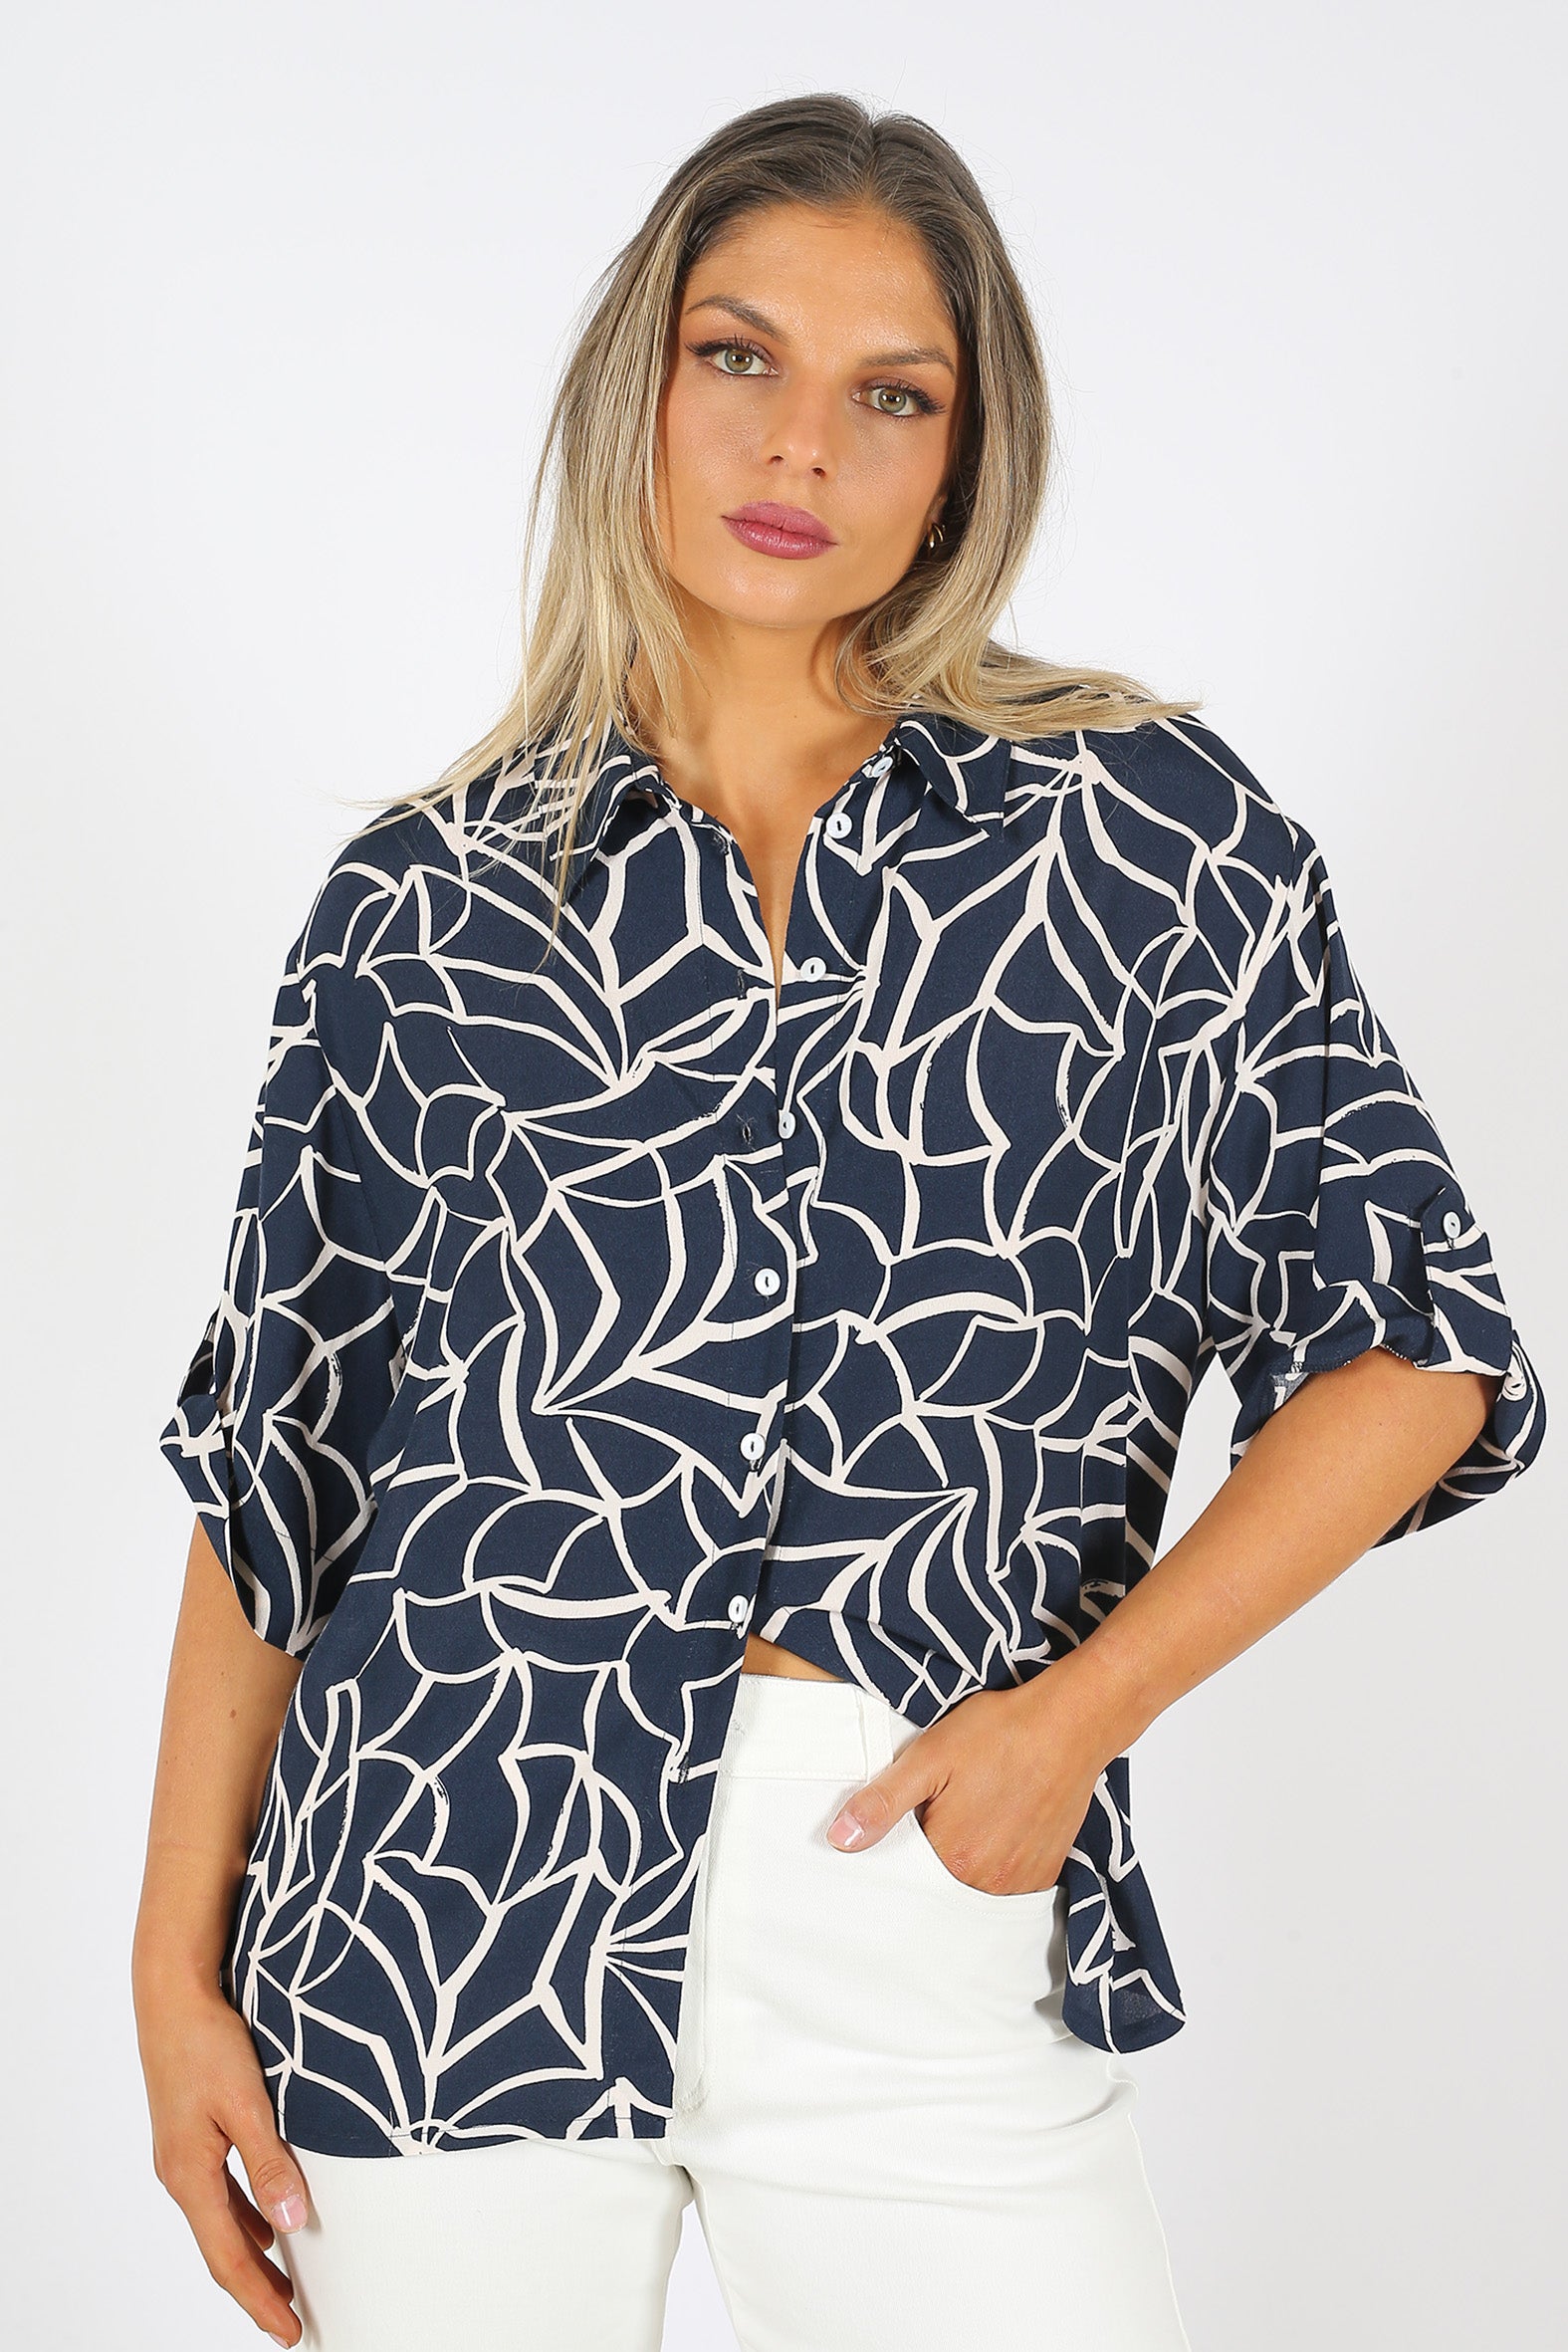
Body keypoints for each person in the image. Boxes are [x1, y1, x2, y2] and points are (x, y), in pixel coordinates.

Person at [131, 92, 1546, 2352]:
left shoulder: (1144, 840)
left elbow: (1416, 1348)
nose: (801, 442)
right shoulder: (419, 904)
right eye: (739, 356)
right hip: (435, 1883)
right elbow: (279, 1466)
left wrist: (1070, 1723)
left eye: (893, 395)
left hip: (901, 1866)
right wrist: (168, 1973)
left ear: (964, 461)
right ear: (640, 381)